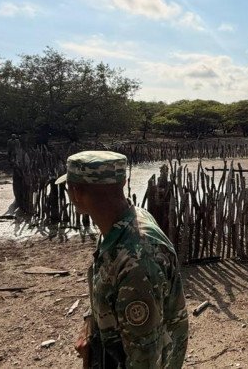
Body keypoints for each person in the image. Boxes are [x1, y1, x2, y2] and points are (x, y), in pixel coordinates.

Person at [59, 151, 188, 368]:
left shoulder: (136, 263)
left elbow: (145, 359)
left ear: (76, 193)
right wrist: (90, 325)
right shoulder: (122, 221)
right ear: (123, 182)